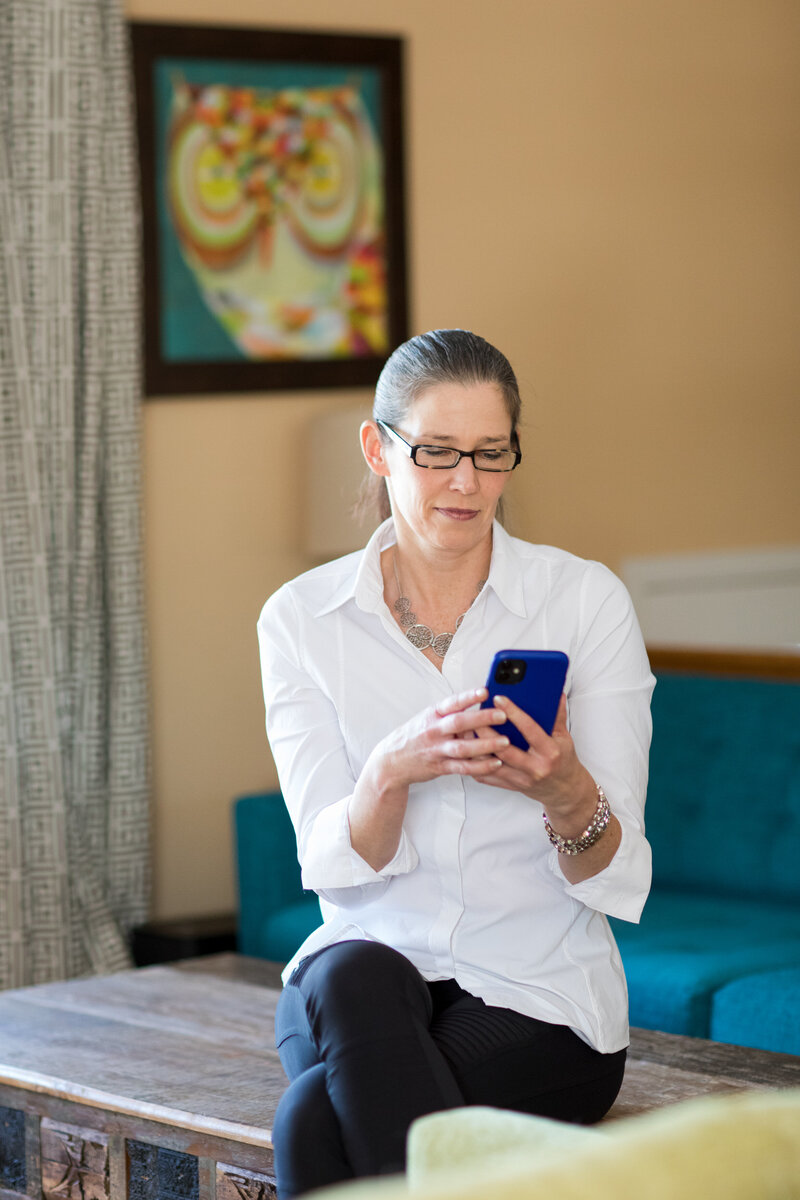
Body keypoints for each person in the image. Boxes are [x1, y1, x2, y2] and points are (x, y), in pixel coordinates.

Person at [257, 329, 654, 1199]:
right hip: (357, 976)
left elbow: (617, 871)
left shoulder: (582, 602)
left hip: (537, 997)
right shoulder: (301, 619)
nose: (467, 482)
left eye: (490, 453)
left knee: (311, 1120)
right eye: (436, 452)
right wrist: (390, 771)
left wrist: (565, 790)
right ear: (380, 448)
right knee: (356, 967)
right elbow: (327, 861)